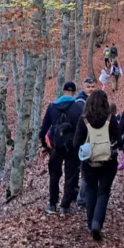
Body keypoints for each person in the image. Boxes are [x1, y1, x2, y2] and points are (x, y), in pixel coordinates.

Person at [74, 90, 123, 240]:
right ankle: (97, 223)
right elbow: (119, 141)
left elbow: (76, 142)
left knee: (91, 190)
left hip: (89, 162)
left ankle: (90, 224)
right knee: (104, 191)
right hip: (108, 161)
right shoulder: (111, 118)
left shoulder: (84, 119)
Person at [38, 81, 84, 215]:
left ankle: (52, 204)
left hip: (55, 147)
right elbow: (82, 129)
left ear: (63, 91)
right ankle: (65, 206)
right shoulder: (78, 108)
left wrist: (45, 145)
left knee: (54, 174)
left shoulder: (52, 107)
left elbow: (44, 129)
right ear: (74, 92)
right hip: (72, 147)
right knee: (70, 175)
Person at [74, 78, 97, 208]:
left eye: (93, 86)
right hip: (84, 142)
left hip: (94, 141)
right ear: (83, 88)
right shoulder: (79, 102)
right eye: (88, 87)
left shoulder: (96, 101)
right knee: (85, 172)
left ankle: (88, 196)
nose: (91, 89)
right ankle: (82, 198)